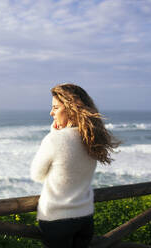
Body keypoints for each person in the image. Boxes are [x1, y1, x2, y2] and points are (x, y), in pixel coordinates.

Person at [30, 83, 120, 248]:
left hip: (57, 221)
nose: (51, 113)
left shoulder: (54, 140)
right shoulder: (92, 139)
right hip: (85, 219)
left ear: (71, 109)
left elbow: (37, 174)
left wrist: (54, 134)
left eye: (56, 108)